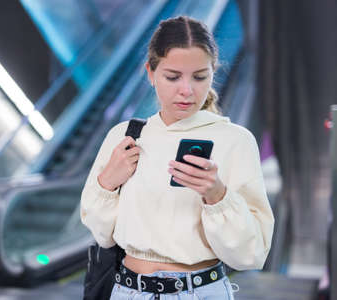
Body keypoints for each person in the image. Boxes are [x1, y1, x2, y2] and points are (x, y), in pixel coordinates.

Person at [80, 16, 275, 300]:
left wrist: (217, 196)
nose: (187, 90)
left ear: (213, 73)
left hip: (201, 292)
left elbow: (251, 254)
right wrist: (107, 182)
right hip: (127, 291)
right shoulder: (125, 136)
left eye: (199, 77)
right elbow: (103, 236)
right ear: (150, 72)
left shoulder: (236, 141)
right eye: (172, 77)